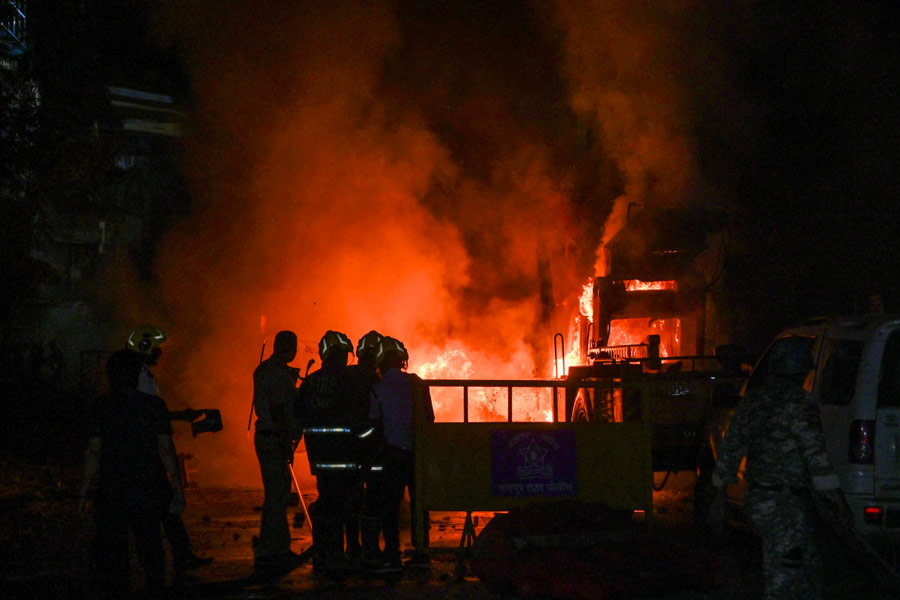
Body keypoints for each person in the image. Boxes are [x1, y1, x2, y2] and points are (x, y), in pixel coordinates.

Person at [707, 337, 853, 600]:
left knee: (804, 568)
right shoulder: (799, 403)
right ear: (800, 370)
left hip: (760, 500)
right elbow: (817, 458)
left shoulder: (753, 401)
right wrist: (839, 503)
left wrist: (718, 498)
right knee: (785, 577)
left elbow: (730, 450)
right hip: (785, 506)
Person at [78, 349, 184, 597]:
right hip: (148, 487)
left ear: (110, 376)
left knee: (113, 554)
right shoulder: (154, 406)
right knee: (151, 549)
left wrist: (83, 492)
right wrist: (177, 490)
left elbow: (93, 451)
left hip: (112, 489)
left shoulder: (102, 406)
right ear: (136, 375)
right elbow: (167, 450)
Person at [126, 324, 212, 572]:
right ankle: (164, 563)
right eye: (157, 348)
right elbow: (147, 415)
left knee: (163, 505)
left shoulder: (138, 373)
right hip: (145, 450)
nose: (160, 353)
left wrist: (179, 416)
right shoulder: (140, 376)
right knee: (163, 503)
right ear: (144, 347)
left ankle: (179, 555)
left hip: (141, 449)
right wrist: (175, 419)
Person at [366, 336, 435, 572]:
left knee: (391, 506)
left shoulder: (378, 388)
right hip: (418, 453)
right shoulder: (417, 383)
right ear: (402, 360)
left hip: (392, 454)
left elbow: (374, 423)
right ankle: (422, 554)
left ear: (381, 361)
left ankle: (392, 556)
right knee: (419, 503)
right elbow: (430, 419)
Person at [296, 330, 361, 575]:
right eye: (343, 354)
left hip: (319, 455)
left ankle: (325, 553)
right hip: (344, 453)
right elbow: (358, 415)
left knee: (327, 502)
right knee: (348, 504)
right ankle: (348, 554)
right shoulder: (348, 381)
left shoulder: (311, 381)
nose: (346, 359)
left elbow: (299, 413)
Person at [252, 329, 303, 574]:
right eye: (292, 346)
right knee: (277, 496)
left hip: (266, 437)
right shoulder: (279, 373)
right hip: (274, 439)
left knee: (275, 495)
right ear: (287, 347)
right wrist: (287, 442)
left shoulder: (264, 369)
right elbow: (280, 409)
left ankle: (269, 547)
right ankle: (276, 551)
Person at [343, 330, 384, 567]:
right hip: (372, 449)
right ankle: (370, 549)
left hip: (347, 448)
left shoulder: (347, 376)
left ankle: (352, 548)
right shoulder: (377, 381)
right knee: (373, 500)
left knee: (351, 498)